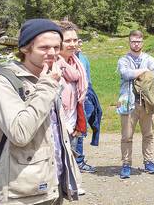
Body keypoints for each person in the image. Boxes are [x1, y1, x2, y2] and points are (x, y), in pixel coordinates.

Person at [0, 19, 81, 203]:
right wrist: (48, 86)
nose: (52, 53)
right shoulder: (2, 83)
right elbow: (19, 133)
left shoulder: (48, 77)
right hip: (19, 194)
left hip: (52, 187)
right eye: (44, 48)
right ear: (24, 49)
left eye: (56, 47)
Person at [116, 30, 154, 179]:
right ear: (129, 42)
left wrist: (140, 72)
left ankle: (148, 162)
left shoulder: (149, 58)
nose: (136, 44)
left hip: (147, 103)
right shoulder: (123, 59)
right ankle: (126, 164)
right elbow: (125, 74)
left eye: (138, 41)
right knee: (127, 136)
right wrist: (144, 70)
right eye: (133, 41)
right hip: (128, 103)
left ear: (142, 42)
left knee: (148, 135)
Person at [55, 21, 89, 196]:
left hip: (74, 114)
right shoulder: (53, 64)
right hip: (58, 115)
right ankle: (57, 185)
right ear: (58, 42)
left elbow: (80, 89)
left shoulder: (77, 63)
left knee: (71, 151)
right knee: (57, 153)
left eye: (75, 40)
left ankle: (71, 183)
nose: (73, 44)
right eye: (68, 41)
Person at [74, 37, 101, 174]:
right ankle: (77, 162)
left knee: (83, 129)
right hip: (76, 99)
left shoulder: (83, 58)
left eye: (79, 40)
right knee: (77, 130)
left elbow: (88, 79)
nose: (79, 43)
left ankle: (78, 159)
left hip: (87, 95)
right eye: (75, 40)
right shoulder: (68, 61)